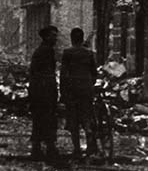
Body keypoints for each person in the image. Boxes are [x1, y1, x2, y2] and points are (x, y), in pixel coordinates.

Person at [60, 27, 97, 158]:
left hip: (72, 91)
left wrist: (63, 92)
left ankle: (77, 149)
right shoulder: (89, 53)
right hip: (86, 91)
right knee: (87, 118)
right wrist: (89, 85)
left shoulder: (67, 53)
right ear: (82, 38)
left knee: (73, 120)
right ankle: (90, 146)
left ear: (72, 39)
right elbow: (94, 74)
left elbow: (63, 74)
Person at [28, 25, 59, 160]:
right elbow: (44, 73)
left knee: (40, 119)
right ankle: (49, 148)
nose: (55, 38)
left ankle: (38, 148)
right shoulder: (45, 51)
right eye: (53, 35)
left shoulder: (43, 50)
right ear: (46, 37)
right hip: (43, 91)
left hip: (40, 90)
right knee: (47, 119)